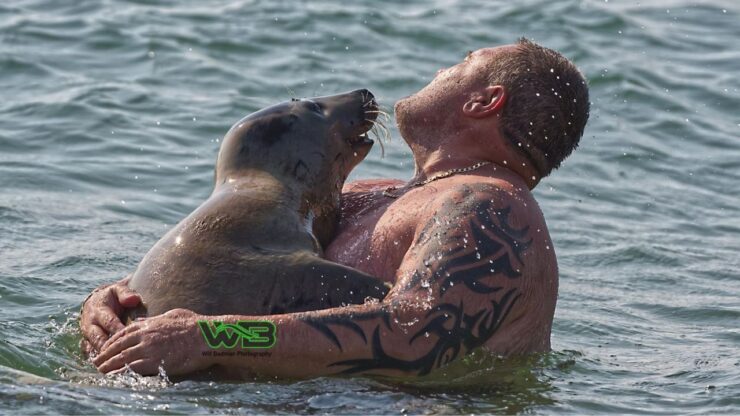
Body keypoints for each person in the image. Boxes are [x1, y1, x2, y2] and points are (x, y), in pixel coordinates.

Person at [80, 38, 589, 378]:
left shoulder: (489, 208)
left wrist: (211, 336)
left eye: (459, 64)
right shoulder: (380, 195)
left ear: (484, 101)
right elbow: (229, 266)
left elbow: (414, 336)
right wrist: (119, 304)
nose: (440, 69)